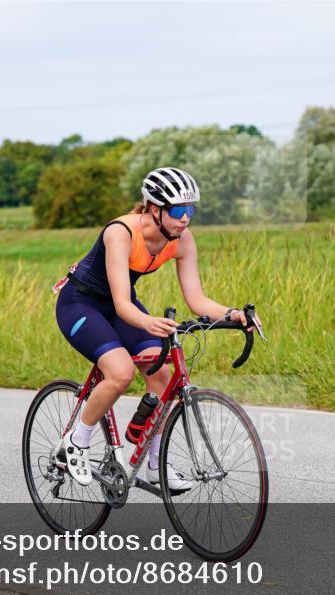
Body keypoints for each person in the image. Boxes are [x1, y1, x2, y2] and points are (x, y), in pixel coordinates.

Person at [53, 167, 253, 489]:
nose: (185, 218)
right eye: (177, 211)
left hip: (122, 306)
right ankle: (76, 441)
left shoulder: (182, 240)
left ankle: (153, 462)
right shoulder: (120, 232)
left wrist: (232, 314)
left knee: (162, 377)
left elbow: (197, 299)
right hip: (81, 304)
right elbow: (121, 305)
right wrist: (149, 322)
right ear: (154, 209)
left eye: (190, 210)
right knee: (120, 373)